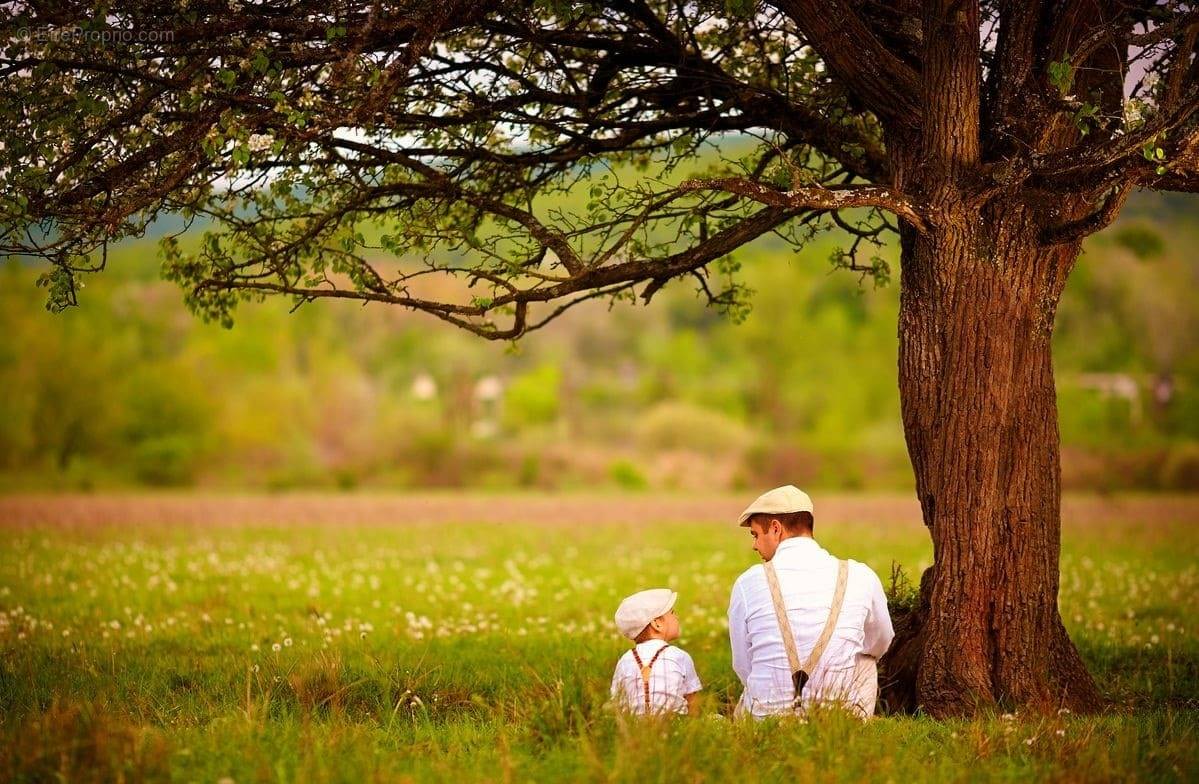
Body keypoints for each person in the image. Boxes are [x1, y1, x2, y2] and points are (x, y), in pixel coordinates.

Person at [727, 485, 893, 718]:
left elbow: (743, 664)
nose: (754, 544)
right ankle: (850, 724)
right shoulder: (860, 575)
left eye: (755, 534)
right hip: (836, 719)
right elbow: (881, 642)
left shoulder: (748, 582)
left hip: (766, 722)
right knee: (866, 658)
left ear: (776, 529)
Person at [610, 588, 703, 715]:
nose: (677, 616)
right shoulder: (679, 656)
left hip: (635, 727)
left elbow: (618, 702)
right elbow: (693, 702)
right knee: (717, 719)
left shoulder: (624, 660)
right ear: (657, 624)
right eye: (672, 612)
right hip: (676, 724)